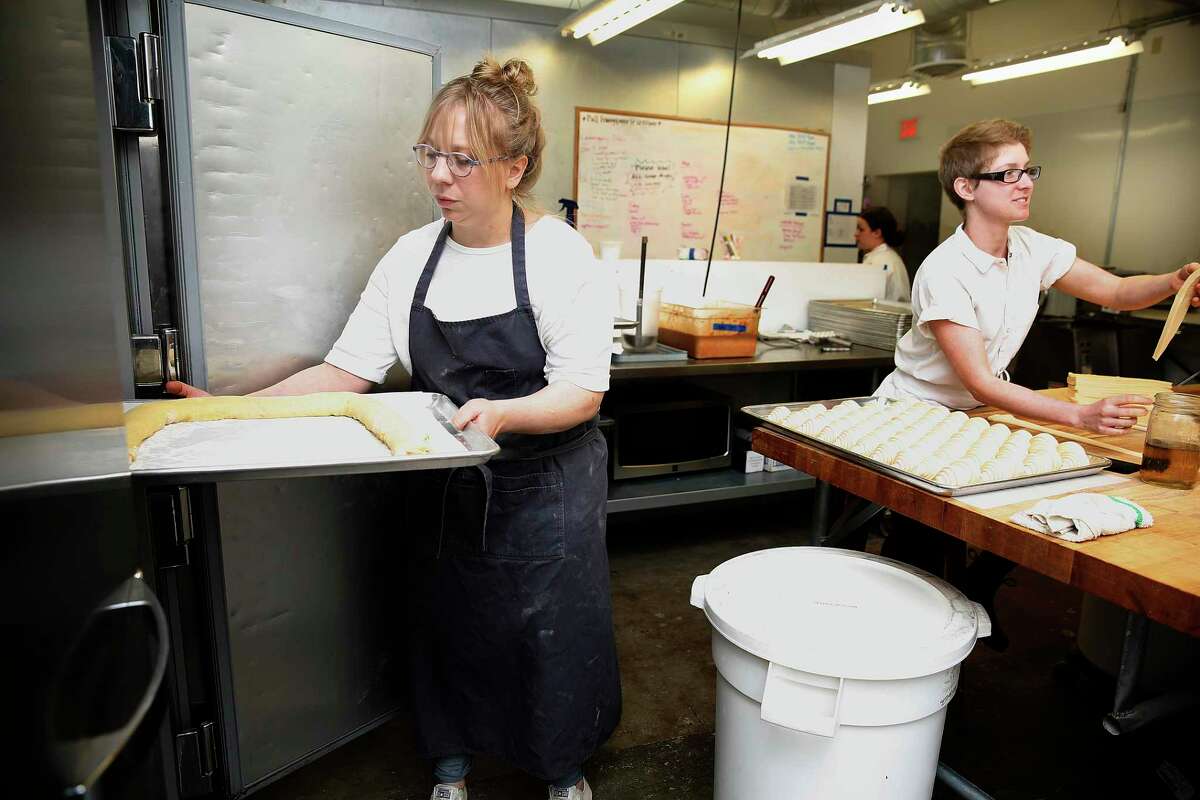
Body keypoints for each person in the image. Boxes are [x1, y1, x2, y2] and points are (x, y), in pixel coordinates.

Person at [167, 57, 619, 800]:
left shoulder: (557, 255)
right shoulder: (411, 259)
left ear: (516, 167)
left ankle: (561, 770)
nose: (440, 176)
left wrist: (507, 414)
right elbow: (343, 375)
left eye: (463, 160)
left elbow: (582, 392)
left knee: (549, 631)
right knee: (447, 623)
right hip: (443, 486)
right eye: (430, 153)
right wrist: (223, 407)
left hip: (545, 488)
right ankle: (450, 766)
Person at [874, 118, 1200, 646]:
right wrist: (1078, 415)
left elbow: (1115, 292)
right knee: (924, 530)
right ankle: (910, 635)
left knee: (1037, 494)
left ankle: (976, 591)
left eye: (1028, 170)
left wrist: (1171, 283)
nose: (1025, 183)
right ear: (966, 188)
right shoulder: (945, 269)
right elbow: (979, 381)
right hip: (920, 411)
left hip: (980, 412)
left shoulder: (1031, 248)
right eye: (1008, 174)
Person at [855, 206, 910, 302]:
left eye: (861, 229)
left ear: (877, 233)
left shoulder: (884, 261)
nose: (856, 234)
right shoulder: (877, 257)